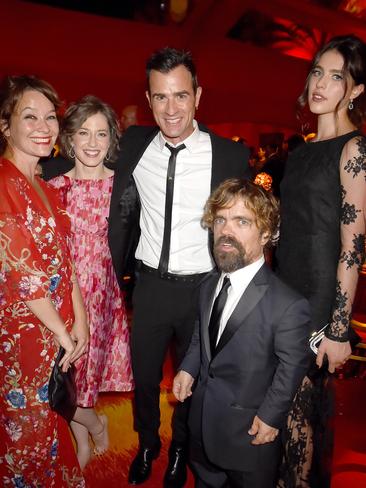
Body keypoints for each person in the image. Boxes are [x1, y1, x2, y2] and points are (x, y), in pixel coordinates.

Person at [107, 47, 250, 487]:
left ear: (198, 96)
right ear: (149, 101)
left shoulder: (229, 156)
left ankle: (182, 450)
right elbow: (86, 163)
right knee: (145, 378)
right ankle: (149, 441)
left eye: (181, 96)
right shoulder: (133, 145)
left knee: (193, 384)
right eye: (161, 97)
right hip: (149, 288)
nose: (171, 109)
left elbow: (248, 227)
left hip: (201, 291)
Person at [173, 178, 311, 488]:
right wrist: (188, 367)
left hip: (250, 436)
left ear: (266, 234)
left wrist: (271, 416)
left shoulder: (289, 304)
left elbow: (291, 367)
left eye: (241, 221)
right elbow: (202, 336)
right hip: (203, 425)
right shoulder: (208, 285)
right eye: (220, 219)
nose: (226, 230)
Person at [276, 34, 366, 487]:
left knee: (299, 418)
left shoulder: (354, 150)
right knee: (279, 412)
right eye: (317, 72)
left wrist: (337, 327)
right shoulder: (301, 150)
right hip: (281, 294)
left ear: (356, 90)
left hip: (316, 303)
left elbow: (352, 245)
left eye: (336, 77)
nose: (320, 84)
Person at [0, 75, 88, 486]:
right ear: (6, 126)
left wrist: (80, 321)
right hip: (24, 336)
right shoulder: (3, 184)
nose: (43, 127)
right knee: (25, 435)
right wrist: (62, 334)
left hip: (56, 331)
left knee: (51, 419)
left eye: (50, 117)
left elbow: (65, 263)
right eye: (29, 116)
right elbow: (24, 275)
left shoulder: (46, 186)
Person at [47, 95, 134, 469]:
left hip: (101, 292)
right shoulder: (52, 186)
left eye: (101, 134)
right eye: (84, 133)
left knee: (85, 374)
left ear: (112, 139)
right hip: (62, 290)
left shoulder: (125, 187)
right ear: (69, 138)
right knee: (64, 373)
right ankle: (91, 427)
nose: (93, 143)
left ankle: (85, 434)